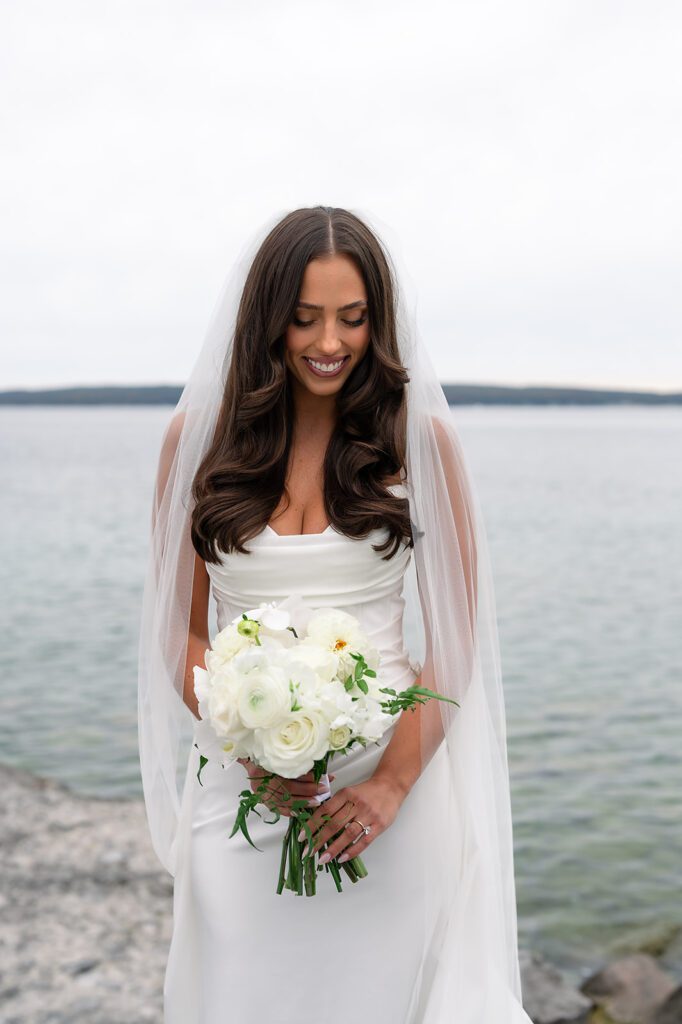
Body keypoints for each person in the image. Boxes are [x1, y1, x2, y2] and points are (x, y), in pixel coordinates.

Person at [138, 205, 533, 1023]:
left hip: (390, 801)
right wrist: (250, 751)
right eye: (306, 318)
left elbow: (456, 643)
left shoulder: (419, 443)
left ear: (378, 321)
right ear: (267, 319)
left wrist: (390, 785)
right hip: (242, 792)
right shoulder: (196, 441)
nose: (330, 342)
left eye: (353, 318)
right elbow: (177, 631)